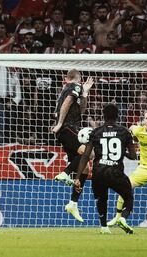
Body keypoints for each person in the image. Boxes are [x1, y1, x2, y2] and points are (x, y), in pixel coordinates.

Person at [75, 104, 137, 234]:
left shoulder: (96, 132)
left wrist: (77, 177)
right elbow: (133, 156)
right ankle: (123, 219)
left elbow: (86, 155)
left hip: (98, 172)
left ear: (103, 116)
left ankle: (104, 227)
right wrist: (122, 152)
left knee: (102, 198)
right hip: (116, 172)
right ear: (117, 116)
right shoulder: (124, 132)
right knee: (129, 197)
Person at [52, 69, 94, 222]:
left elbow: (81, 110)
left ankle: (73, 203)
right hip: (68, 128)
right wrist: (60, 124)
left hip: (68, 129)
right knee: (90, 153)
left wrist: (85, 94)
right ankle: (65, 173)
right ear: (78, 79)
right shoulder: (74, 86)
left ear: (65, 78)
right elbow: (67, 103)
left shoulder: (74, 89)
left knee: (86, 168)